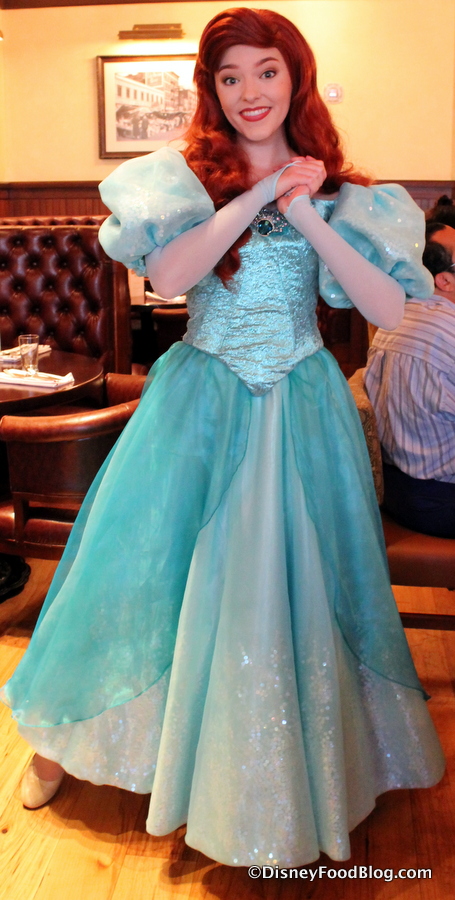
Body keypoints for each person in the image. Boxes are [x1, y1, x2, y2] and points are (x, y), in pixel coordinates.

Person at [1, 7, 444, 869]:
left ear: (295, 76)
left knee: (298, 581)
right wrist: (250, 196)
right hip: (199, 397)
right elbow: (169, 277)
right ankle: (64, 741)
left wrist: (306, 213)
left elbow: (388, 308)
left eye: (265, 71)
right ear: (210, 88)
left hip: (301, 403)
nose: (249, 91)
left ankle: (288, 772)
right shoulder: (179, 181)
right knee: (139, 568)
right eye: (229, 75)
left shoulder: (347, 193)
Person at [364, 225, 455, 537]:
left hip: (395, 489)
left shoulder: (395, 318)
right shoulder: (447, 331)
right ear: (445, 280)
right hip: (439, 499)